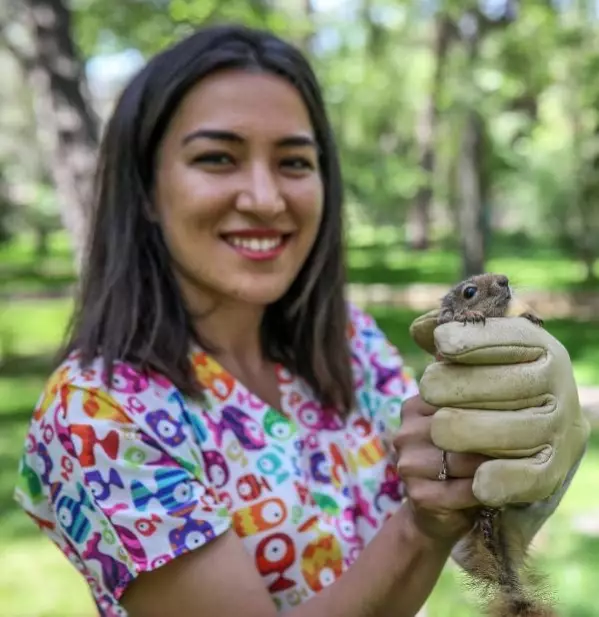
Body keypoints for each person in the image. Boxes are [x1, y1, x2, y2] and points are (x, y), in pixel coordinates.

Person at [13, 23, 589, 617]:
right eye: (217, 158)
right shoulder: (97, 413)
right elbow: (427, 524)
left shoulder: (347, 340)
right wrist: (422, 523)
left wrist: (517, 447)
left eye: (293, 161)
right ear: (145, 192)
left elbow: (475, 542)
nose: (265, 198)